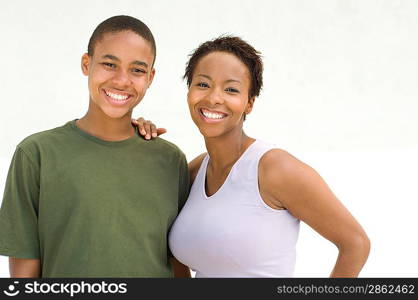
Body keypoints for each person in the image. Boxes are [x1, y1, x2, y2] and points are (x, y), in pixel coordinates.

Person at [164, 36, 370, 277]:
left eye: (231, 89)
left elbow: (356, 244)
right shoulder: (195, 170)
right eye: (202, 84)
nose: (213, 98)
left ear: (249, 103)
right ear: (189, 91)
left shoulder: (273, 168)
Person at [0, 15, 190, 278]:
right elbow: (24, 274)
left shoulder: (170, 160)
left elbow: (178, 263)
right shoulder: (36, 155)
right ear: (86, 63)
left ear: (150, 77)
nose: (122, 80)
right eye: (110, 64)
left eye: (137, 69)